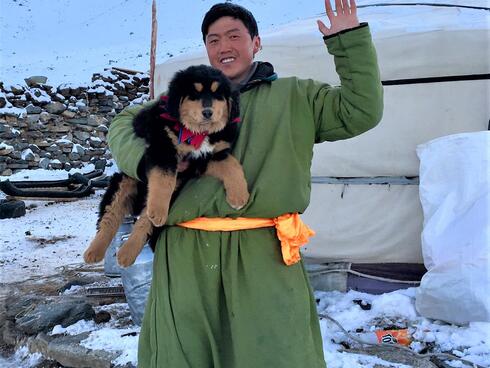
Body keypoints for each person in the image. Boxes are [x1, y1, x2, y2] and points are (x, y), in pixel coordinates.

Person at [108, 0, 383, 366]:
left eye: (234, 36)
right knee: (183, 355)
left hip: (263, 253)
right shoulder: (179, 103)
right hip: (187, 252)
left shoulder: (296, 97)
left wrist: (347, 41)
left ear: (256, 43)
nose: (224, 46)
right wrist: (152, 164)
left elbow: (361, 110)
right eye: (214, 39)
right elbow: (122, 125)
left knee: (273, 352)